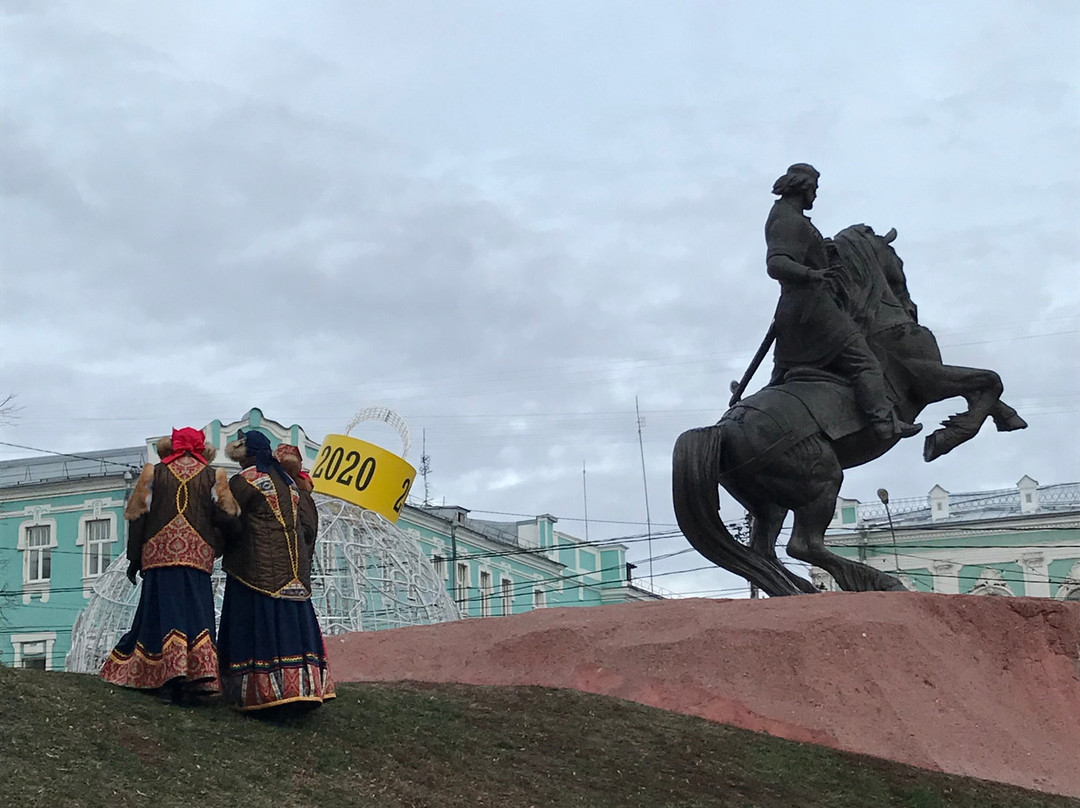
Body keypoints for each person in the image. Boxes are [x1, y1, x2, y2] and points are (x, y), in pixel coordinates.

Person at [764, 163, 921, 441]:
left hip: (793, 310)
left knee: (781, 377)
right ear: (804, 186)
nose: (816, 195)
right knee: (864, 362)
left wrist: (824, 252)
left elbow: (800, 251)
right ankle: (884, 422)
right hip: (812, 309)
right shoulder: (788, 219)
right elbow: (776, 263)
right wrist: (813, 274)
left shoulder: (791, 217)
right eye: (815, 189)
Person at [100, 427, 238, 703]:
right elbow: (228, 516)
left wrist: (134, 559)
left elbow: (137, 517)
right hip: (197, 558)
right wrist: (216, 546)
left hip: (159, 556)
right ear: (201, 449)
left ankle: (163, 678)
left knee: (160, 614)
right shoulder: (214, 476)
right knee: (196, 614)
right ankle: (198, 681)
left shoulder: (153, 473)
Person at [217, 430, 335, 712]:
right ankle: (303, 689)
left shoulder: (244, 481)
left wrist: (220, 543)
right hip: (293, 573)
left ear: (245, 454)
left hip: (255, 571)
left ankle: (260, 693)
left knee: (255, 628)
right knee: (294, 628)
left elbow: (228, 518)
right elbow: (306, 528)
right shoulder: (289, 483)